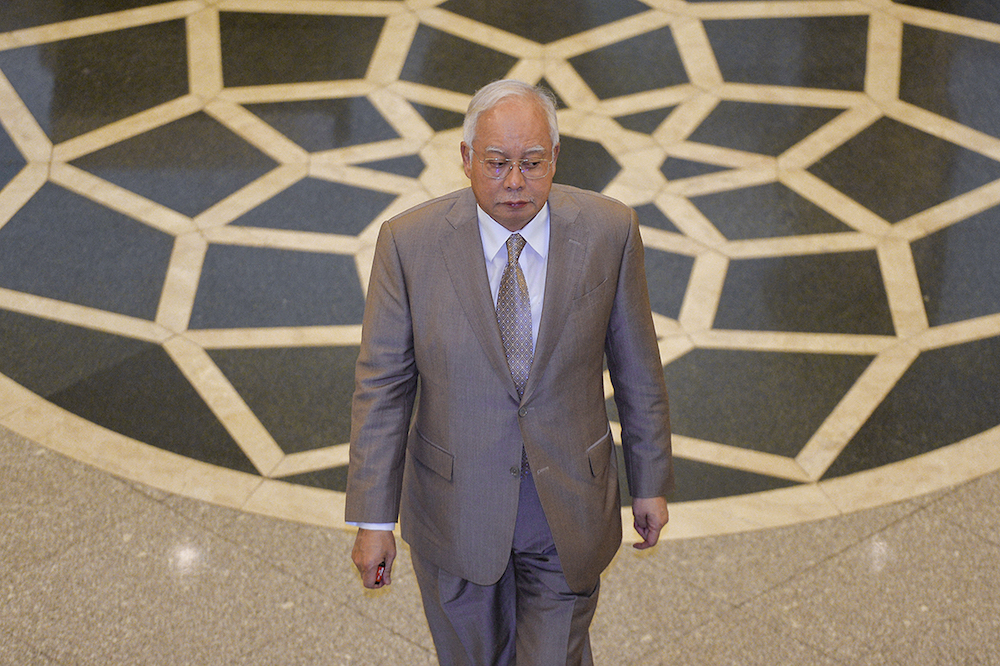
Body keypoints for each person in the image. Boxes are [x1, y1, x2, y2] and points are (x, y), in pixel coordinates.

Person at [346, 79, 673, 666]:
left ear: (555, 159)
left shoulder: (609, 231)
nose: (515, 182)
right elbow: (383, 389)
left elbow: (638, 370)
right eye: (497, 164)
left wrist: (648, 481)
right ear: (467, 158)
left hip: (567, 508)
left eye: (532, 163)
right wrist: (374, 518)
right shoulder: (408, 243)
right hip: (455, 514)